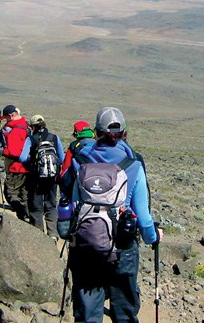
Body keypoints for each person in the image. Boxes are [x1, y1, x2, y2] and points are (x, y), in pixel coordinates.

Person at [62, 107, 163, 323]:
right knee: (124, 311)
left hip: (86, 243)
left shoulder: (80, 160)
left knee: (87, 312)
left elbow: (73, 203)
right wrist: (152, 237)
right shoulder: (134, 163)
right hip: (123, 247)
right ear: (124, 133)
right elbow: (143, 215)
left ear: (96, 132)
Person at [27, 114, 65, 239]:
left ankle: (38, 234)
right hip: (52, 176)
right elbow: (62, 158)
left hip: (36, 177)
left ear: (33, 127)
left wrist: (32, 161)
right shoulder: (54, 137)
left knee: (36, 205)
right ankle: (52, 233)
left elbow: (22, 157)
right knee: (51, 204)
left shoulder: (31, 139)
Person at [0, 105, 31, 221]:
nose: (5, 120)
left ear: (11, 116)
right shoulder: (26, 126)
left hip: (15, 167)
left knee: (11, 193)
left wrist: (0, 150)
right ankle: (29, 217)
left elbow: (14, 151)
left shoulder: (16, 131)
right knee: (24, 194)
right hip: (27, 167)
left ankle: (23, 217)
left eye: (6, 118)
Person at [58, 120, 96, 194]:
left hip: (78, 184)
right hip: (100, 183)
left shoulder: (74, 146)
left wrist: (61, 181)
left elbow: (65, 168)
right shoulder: (99, 144)